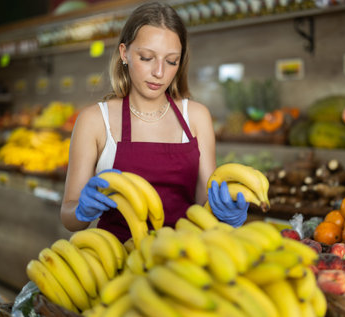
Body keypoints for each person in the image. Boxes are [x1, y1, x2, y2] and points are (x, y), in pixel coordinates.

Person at [60, 1, 248, 243]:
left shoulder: (197, 117)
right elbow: (68, 218)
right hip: (117, 259)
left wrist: (226, 214)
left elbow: (205, 204)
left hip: (184, 257)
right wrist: (80, 210)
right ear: (124, 53)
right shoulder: (94, 120)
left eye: (171, 61)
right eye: (147, 57)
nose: (159, 72)